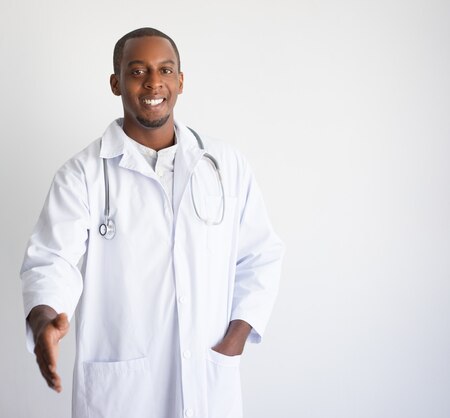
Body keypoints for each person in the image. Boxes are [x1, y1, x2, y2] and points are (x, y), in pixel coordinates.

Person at [20, 27, 284, 418]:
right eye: (138, 71)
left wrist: (234, 340)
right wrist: (45, 319)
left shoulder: (226, 165)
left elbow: (260, 256)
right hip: (121, 393)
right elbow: (51, 260)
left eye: (165, 69)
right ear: (116, 82)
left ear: (180, 80)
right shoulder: (82, 175)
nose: (153, 82)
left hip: (209, 382)